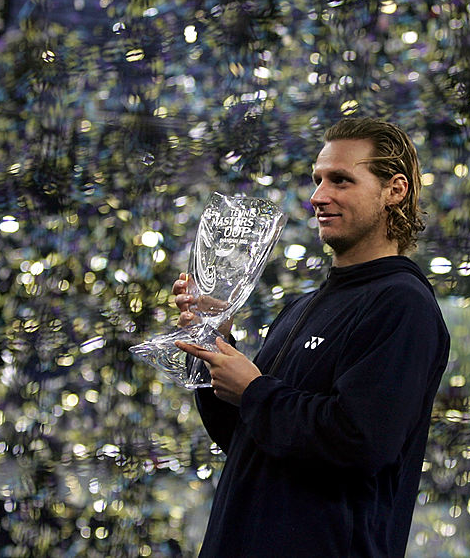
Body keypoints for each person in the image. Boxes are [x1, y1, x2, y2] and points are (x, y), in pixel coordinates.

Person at [172, 117, 451, 557]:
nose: (319, 196)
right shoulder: (302, 307)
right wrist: (212, 342)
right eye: (318, 180)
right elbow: (247, 437)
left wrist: (254, 391)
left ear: (394, 190)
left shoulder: (401, 303)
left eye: (341, 180)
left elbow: (361, 442)